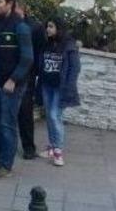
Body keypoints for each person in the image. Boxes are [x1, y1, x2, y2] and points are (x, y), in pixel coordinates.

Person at [0, 0, 34, 180]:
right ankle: (0, 157)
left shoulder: (20, 27)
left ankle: (6, 165)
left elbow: (27, 58)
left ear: (10, 4)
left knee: (7, 124)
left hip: (12, 85)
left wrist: (13, 80)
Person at [37, 16, 81, 167]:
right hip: (46, 84)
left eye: (51, 26)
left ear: (59, 28)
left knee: (55, 116)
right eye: (47, 26)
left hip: (60, 88)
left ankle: (58, 151)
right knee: (49, 116)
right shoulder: (46, 43)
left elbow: (75, 68)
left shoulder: (69, 45)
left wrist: (69, 86)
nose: (48, 29)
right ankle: (51, 146)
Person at [14, 1, 47, 160]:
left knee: (25, 111)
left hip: (27, 74)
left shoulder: (35, 27)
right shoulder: (6, 24)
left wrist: (36, 72)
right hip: (8, 71)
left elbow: (41, 50)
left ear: (22, 9)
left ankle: (28, 147)